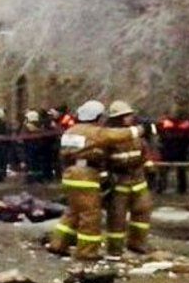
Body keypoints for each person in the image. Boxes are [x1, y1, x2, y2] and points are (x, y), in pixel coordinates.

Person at [48, 100, 146, 261]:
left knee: (73, 211)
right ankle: (87, 252)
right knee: (90, 214)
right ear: (96, 117)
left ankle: (58, 244)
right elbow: (118, 135)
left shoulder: (70, 131)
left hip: (70, 174)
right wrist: (142, 129)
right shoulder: (94, 132)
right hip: (85, 176)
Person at [104, 100, 154, 255]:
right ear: (117, 118)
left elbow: (145, 153)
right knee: (117, 217)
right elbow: (104, 160)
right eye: (125, 116)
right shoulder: (110, 137)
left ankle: (138, 244)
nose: (129, 118)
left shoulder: (136, 136)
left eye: (130, 115)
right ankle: (115, 249)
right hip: (119, 183)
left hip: (138, 181)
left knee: (143, 211)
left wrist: (151, 169)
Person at [156, 111, 189, 194]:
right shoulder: (185, 124)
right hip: (178, 149)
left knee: (168, 169)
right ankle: (180, 188)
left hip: (171, 149)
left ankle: (163, 187)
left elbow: (160, 133)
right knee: (177, 169)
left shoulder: (166, 123)